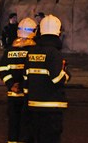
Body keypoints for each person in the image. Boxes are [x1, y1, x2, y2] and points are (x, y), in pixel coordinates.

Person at [24, 14, 69, 143]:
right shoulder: (54, 53)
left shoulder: (32, 52)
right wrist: (66, 72)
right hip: (51, 108)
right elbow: (57, 79)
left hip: (33, 106)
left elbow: (26, 77)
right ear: (57, 32)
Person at [0, 17, 37, 143]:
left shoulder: (9, 51)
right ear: (34, 32)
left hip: (13, 95)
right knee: (27, 127)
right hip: (28, 95)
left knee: (13, 126)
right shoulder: (34, 51)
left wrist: (10, 84)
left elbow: (2, 69)